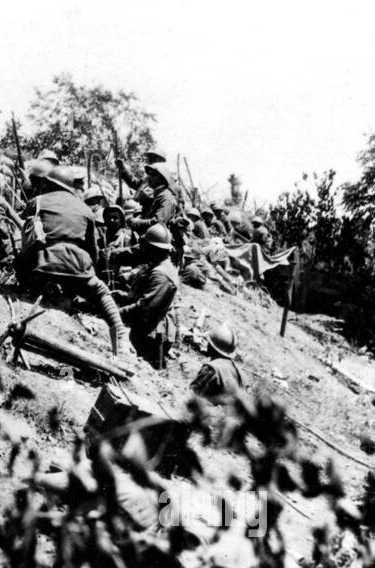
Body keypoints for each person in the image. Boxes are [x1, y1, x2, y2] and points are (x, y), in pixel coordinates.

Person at [15, 164, 129, 354]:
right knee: (101, 291)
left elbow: (25, 234)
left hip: (43, 264)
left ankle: (42, 289)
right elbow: (92, 251)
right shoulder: (86, 210)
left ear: (49, 183)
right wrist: (86, 273)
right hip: (78, 267)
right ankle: (121, 336)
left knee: (21, 262)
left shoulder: (39, 201)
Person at [116, 223, 180, 364]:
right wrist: (124, 296)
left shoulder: (161, 274)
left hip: (152, 335)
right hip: (149, 329)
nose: (142, 249)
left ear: (152, 248)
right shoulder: (158, 265)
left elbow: (145, 308)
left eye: (145, 245)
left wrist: (116, 314)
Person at [189, 323, 244, 399]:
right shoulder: (238, 371)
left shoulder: (211, 369)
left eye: (209, 343)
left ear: (212, 347)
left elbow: (194, 395)